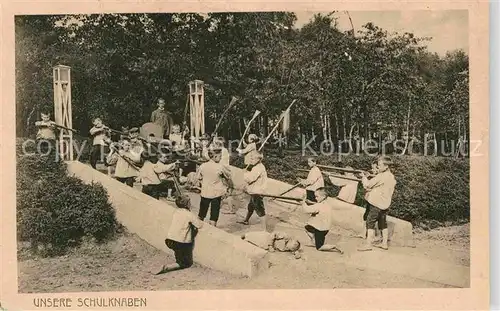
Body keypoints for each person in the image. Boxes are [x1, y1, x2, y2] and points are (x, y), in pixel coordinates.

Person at [154, 195, 204, 275]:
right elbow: (199, 225)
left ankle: (177, 259)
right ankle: (167, 267)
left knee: (179, 255)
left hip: (170, 240)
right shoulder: (189, 214)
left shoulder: (176, 212)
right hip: (181, 243)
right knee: (185, 263)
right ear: (187, 204)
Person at [358, 156, 396, 251]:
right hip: (385, 204)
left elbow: (367, 185)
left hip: (376, 204)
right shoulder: (391, 176)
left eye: (379, 165)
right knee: (383, 224)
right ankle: (384, 244)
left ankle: (368, 245)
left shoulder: (381, 176)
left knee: (370, 222)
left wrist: (363, 177)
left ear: (386, 166)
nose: (378, 167)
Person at [196, 149, 232, 227]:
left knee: (201, 213)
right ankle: (213, 231)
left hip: (205, 192)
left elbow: (198, 177)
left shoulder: (203, 166)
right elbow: (228, 176)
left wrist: (204, 183)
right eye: (220, 156)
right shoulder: (220, 167)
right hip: (216, 193)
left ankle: (197, 228)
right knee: (214, 215)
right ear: (215, 156)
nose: (221, 158)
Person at [302, 187, 343, 253]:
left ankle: (333, 247)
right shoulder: (327, 204)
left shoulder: (319, 206)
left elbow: (306, 210)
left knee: (320, 247)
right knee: (307, 228)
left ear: (323, 197)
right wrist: (310, 203)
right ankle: (314, 241)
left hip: (320, 229)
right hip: (324, 227)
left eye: (317, 196)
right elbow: (318, 206)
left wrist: (303, 203)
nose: (315, 198)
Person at [237, 153, 268, 230]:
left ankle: (264, 229)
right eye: (251, 159)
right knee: (251, 206)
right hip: (254, 190)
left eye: (253, 159)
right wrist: (247, 172)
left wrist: (244, 173)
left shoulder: (258, 168)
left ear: (258, 159)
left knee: (260, 210)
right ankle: (246, 220)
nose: (251, 160)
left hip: (257, 191)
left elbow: (250, 179)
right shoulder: (257, 167)